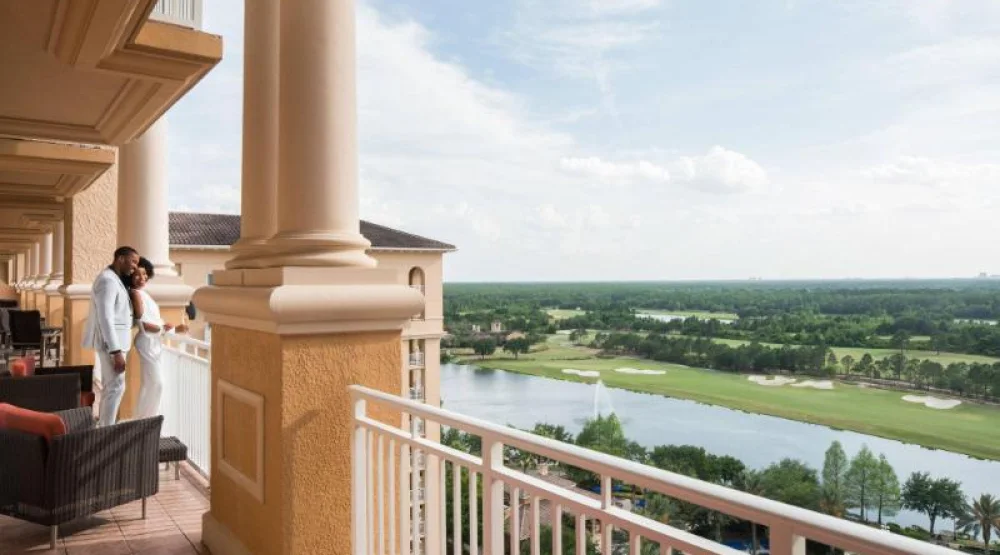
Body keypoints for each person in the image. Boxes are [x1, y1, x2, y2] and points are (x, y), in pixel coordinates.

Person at [83, 246, 139, 427]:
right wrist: (116, 351)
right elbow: (105, 317)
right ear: (121, 258)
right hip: (111, 345)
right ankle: (106, 429)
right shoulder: (107, 281)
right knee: (115, 387)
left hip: (115, 344)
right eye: (133, 262)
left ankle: (105, 427)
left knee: (113, 387)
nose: (135, 267)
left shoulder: (114, 279)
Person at [130, 257, 188, 419]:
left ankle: (142, 421)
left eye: (144, 274)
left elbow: (155, 322)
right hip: (147, 341)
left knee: (150, 384)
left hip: (153, 341)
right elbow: (142, 323)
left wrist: (175, 328)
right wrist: (163, 328)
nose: (142, 278)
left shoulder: (144, 294)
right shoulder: (135, 293)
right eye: (137, 275)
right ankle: (145, 421)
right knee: (157, 384)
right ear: (130, 277)